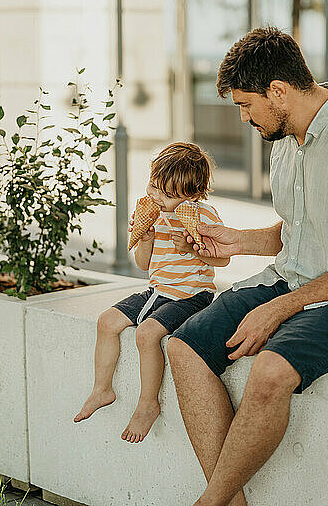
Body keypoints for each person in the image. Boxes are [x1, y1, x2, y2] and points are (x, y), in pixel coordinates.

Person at [167, 27, 328, 506]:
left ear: (279, 91)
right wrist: (237, 240)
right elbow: (296, 230)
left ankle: (210, 502)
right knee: (184, 349)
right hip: (289, 279)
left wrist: (278, 310)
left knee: (269, 373)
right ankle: (232, 503)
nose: (245, 117)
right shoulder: (284, 138)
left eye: (247, 104)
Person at [74, 142, 230, 443]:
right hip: (158, 290)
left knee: (146, 334)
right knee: (107, 321)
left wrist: (193, 248)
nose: (156, 196)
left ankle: (148, 404)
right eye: (154, 186)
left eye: (168, 195)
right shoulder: (155, 214)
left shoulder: (205, 215)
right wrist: (144, 239)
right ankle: (101, 389)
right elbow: (144, 264)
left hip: (190, 295)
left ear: (194, 195)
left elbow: (223, 259)